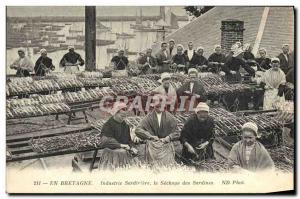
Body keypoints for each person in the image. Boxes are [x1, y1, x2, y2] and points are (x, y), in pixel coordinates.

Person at [135, 94, 179, 167]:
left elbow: (177, 132)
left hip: (166, 143)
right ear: (153, 105)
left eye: (162, 103)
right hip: (153, 144)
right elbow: (138, 130)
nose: (160, 106)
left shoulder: (170, 117)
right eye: (157, 104)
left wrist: (169, 137)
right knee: (153, 165)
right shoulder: (149, 117)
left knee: (167, 166)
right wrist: (150, 136)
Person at [97, 102, 138, 170]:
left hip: (122, 152)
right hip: (111, 152)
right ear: (116, 113)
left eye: (124, 116)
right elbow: (104, 141)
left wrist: (132, 147)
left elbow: (128, 140)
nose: (123, 118)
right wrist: (120, 145)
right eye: (122, 116)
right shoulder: (109, 125)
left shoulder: (125, 125)